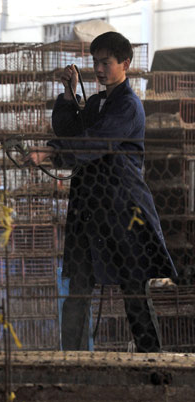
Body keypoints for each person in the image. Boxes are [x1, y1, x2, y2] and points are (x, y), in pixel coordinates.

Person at [26, 31, 177, 352]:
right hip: (88, 206)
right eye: (95, 62)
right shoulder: (96, 102)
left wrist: (53, 152)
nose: (98, 69)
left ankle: (153, 362)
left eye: (106, 62)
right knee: (78, 287)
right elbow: (71, 130)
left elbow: (96, 141)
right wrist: (68, 95)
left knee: (134, 289)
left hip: (123, 208)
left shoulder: (128, 106)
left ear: (125, 63)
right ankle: (74, 360)